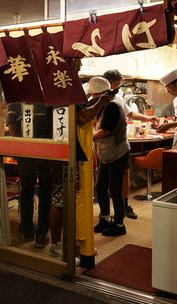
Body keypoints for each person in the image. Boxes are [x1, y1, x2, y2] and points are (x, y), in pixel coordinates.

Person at [49, 84, 113, 256]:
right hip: (64, 153)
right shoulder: (65, 88)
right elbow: (82, 116)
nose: (80, 64)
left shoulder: (58, 90)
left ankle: (68, 242)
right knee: (61, 200)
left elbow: (80, 110)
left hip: (59, 150)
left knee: (67, 199)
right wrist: (100, 102)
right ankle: (57, 245)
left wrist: (96, 100)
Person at [103, 69, 159, 220]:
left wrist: (148, 118)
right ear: (109, 83)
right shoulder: (99, 98)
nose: (119, 87)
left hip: (121, 143)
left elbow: (131, 114)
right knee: (104, 182)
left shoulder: (119, 97)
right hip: (104, 147)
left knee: (123, 176)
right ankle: (107, 214)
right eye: (118, 84)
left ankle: (124, 206)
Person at [6, 102, 53, 248]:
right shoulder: (44, 98)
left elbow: (12, 126)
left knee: (29, 193)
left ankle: (30, 231)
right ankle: (38, 233)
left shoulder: (16, 100)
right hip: (44, 152)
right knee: (43, 194)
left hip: (33, 153)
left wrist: (18, 148)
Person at [90, 77, 131, 236]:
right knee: (100, 186)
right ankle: (105, 218)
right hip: (106, 151)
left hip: (118, 151)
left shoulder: (113, 106)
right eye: (92, 95)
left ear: (105, 93)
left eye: (95, 95)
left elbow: (105, 130)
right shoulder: (101, 105)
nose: (93, 98)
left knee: (114, 188)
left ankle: (119, 224)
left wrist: (90, 136)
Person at [156, 68, 177, 148]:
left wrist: (169, 125)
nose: (168, 91)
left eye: (168, 87)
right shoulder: (176, 99)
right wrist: (167, 125)